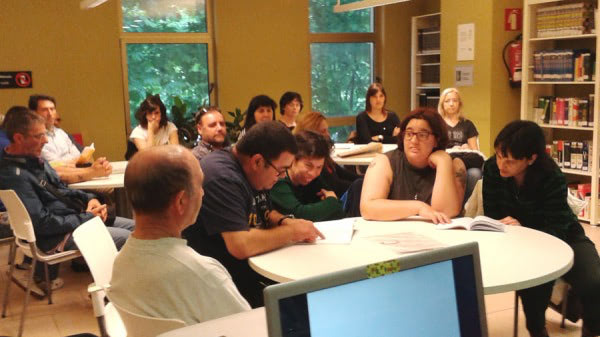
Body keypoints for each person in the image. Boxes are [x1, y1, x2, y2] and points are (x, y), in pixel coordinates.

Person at [183, 121, 323, 308]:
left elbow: (263, 210)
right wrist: (292, 233)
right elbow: (240, 245)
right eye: (280, 170)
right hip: (223, 286)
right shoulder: (222, 176)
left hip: (251, 270)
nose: (282, 177)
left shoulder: (254, 173)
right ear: (257, 161)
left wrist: (283, 221)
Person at [483, 120, 600, 337]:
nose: (501, 165)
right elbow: (492, 214)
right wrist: (508, 227)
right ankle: (538, 329)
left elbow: (557, 226)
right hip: (513, 238)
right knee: (534, 283)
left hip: (564, 234)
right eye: (499, 156)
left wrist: (524, 227)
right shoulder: (491, 168)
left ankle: (591, 329)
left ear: (531, 158)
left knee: (594, 282)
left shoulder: (551, 175)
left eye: (509, 161)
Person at [110, 145, 250, 325]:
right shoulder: (203, 274)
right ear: (181, 201)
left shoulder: (120, 263)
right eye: (200, 185)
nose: (203, 192)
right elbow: (248, 327)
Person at [0, 110, 134, 290]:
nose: (46, 141)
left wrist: (90, 199)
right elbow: (43, 223)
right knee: (130, 238)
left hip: (73, 220)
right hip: (56, 236)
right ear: (18, 138)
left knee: (137, 228)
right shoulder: (14, 176)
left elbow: (62, 190)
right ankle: (114, 292)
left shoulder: (35, 160)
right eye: (40, 136)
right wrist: (87, 216)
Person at [360, 108, 465, 223]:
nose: (414, 140)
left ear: (437, 139)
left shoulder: (454, 164)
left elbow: (445, 213)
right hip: (393, 234)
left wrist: (443, 163)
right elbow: (368, 208)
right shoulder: (384, 161)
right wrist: (419, 207)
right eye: (409, 134)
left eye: (422, 135)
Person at [28, 95, 113, 184]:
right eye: (45, 110)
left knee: (109, 181)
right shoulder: (35, 139)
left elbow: (77, 156)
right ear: (34, 113)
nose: (50, 113)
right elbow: (54, 166)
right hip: (62, 180)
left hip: (79, 173)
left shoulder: (61, 132)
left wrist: (75, 163)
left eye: (52, 109)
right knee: (108, 188)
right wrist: (88, 168)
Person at [270, 130, 344, 222]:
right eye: (308, 166)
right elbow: (299, 214)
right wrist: (331, 201)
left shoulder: (314, 179)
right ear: (293, 159)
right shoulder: (277, 180)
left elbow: (339, 209)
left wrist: (329, 203)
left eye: (319, 167)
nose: (313, 173)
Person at [295, 111, 359, 196]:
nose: (328, 135)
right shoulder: (313, 162)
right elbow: (336, 186)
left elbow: (343, 174)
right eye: (323, 131)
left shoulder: (325, 158)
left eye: (327, 130)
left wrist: (366, 179)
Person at [438, 87, 482, 202]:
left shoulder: (467, 124)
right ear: (442, 104)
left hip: (465, 159)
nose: (451, 104)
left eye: (454, 100)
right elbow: (434, 147)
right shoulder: (437, 123)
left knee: (475, 173)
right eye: (447, 101)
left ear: (459, 103)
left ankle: (465, 208)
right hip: (446, 159)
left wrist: (467, 147)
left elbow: (475, 151)